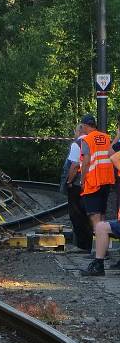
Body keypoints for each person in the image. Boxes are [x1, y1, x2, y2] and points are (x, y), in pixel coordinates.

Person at [79, 114, 114, 276]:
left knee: (94, 217)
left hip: (93, 182)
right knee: (102, 216)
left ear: (86, 126)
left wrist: (82, 178)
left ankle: (99, 252)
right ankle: (103, 249)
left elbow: (86, 161)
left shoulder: (87, 140)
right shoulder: (106, 137)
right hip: (107, 181)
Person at [62, 124, 91, 252]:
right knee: (91, 214)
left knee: (77, 214)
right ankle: (93, 243)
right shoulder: (96, 141)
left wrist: (69, 181)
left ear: (79, 130)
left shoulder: (77, 144)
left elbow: (74, 165)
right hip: (93, 182)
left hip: (78, 184)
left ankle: (83, 245)